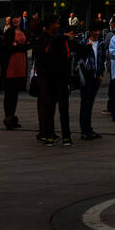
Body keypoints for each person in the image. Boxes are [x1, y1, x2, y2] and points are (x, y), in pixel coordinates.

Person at [35, 16, 73, 146]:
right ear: (50, 25)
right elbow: (42, 59)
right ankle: (55, 135)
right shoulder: (47, 40)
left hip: (55, 78)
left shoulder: (54, 39)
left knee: (56, 108)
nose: (57, 26)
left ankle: (59, 135)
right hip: (52, 79)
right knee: (55, 108)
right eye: (55, 23)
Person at [77, 22, 107, 140]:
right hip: (86, 77)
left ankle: (88, 129)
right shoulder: (83, 42)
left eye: (99, 31)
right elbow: (80, 59)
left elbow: (102, 59)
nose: (97, 33)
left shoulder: (101, 43)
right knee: (85, 103)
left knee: (90, 103)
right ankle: (84, 130)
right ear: (90, 31)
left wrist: (100, 73)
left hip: (96, 77)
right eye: (95, 31)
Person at [2, 14, 29, 130]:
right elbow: (8, 48)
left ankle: (12, 117)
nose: (16, 19)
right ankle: (8, 117)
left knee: (15, 93)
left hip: (21, 64)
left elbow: (29, 45)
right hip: (11, 65)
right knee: (9, 93)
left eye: (17, 17)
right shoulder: (8, 32)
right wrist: (21, 46)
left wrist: (17, 45)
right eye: (14, 18)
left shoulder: (24, 31)